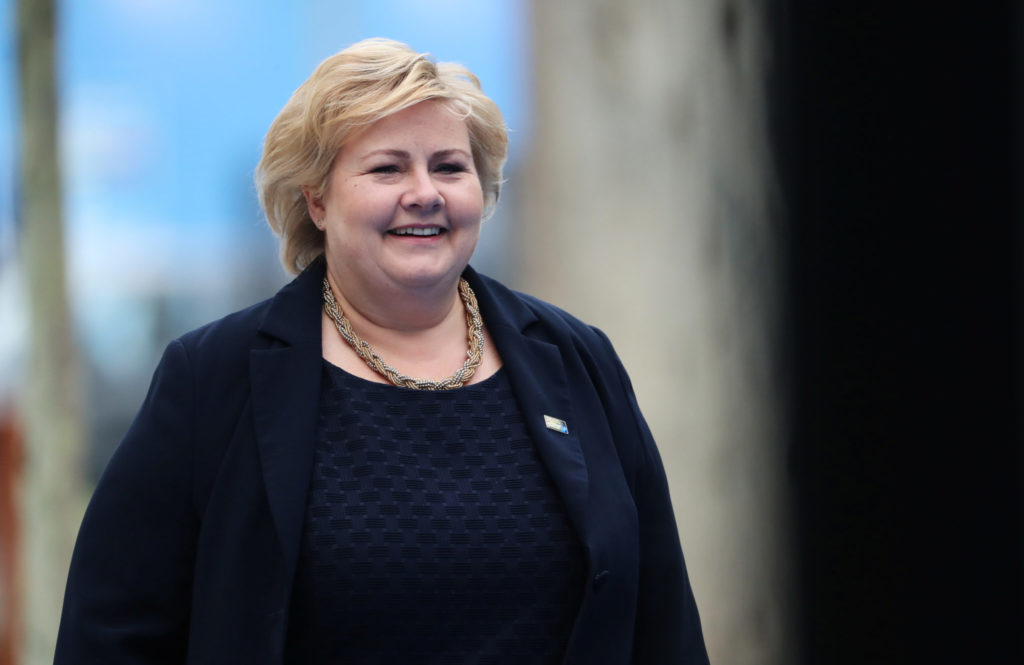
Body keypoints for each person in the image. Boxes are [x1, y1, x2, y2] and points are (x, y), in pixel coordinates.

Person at [54, 38, 709, 665]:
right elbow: (110, 635)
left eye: (449, 167)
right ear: (316, 199)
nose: (424, 192)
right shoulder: (213, 379)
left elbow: (663, 623)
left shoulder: (577, 360)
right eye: (387, 168)